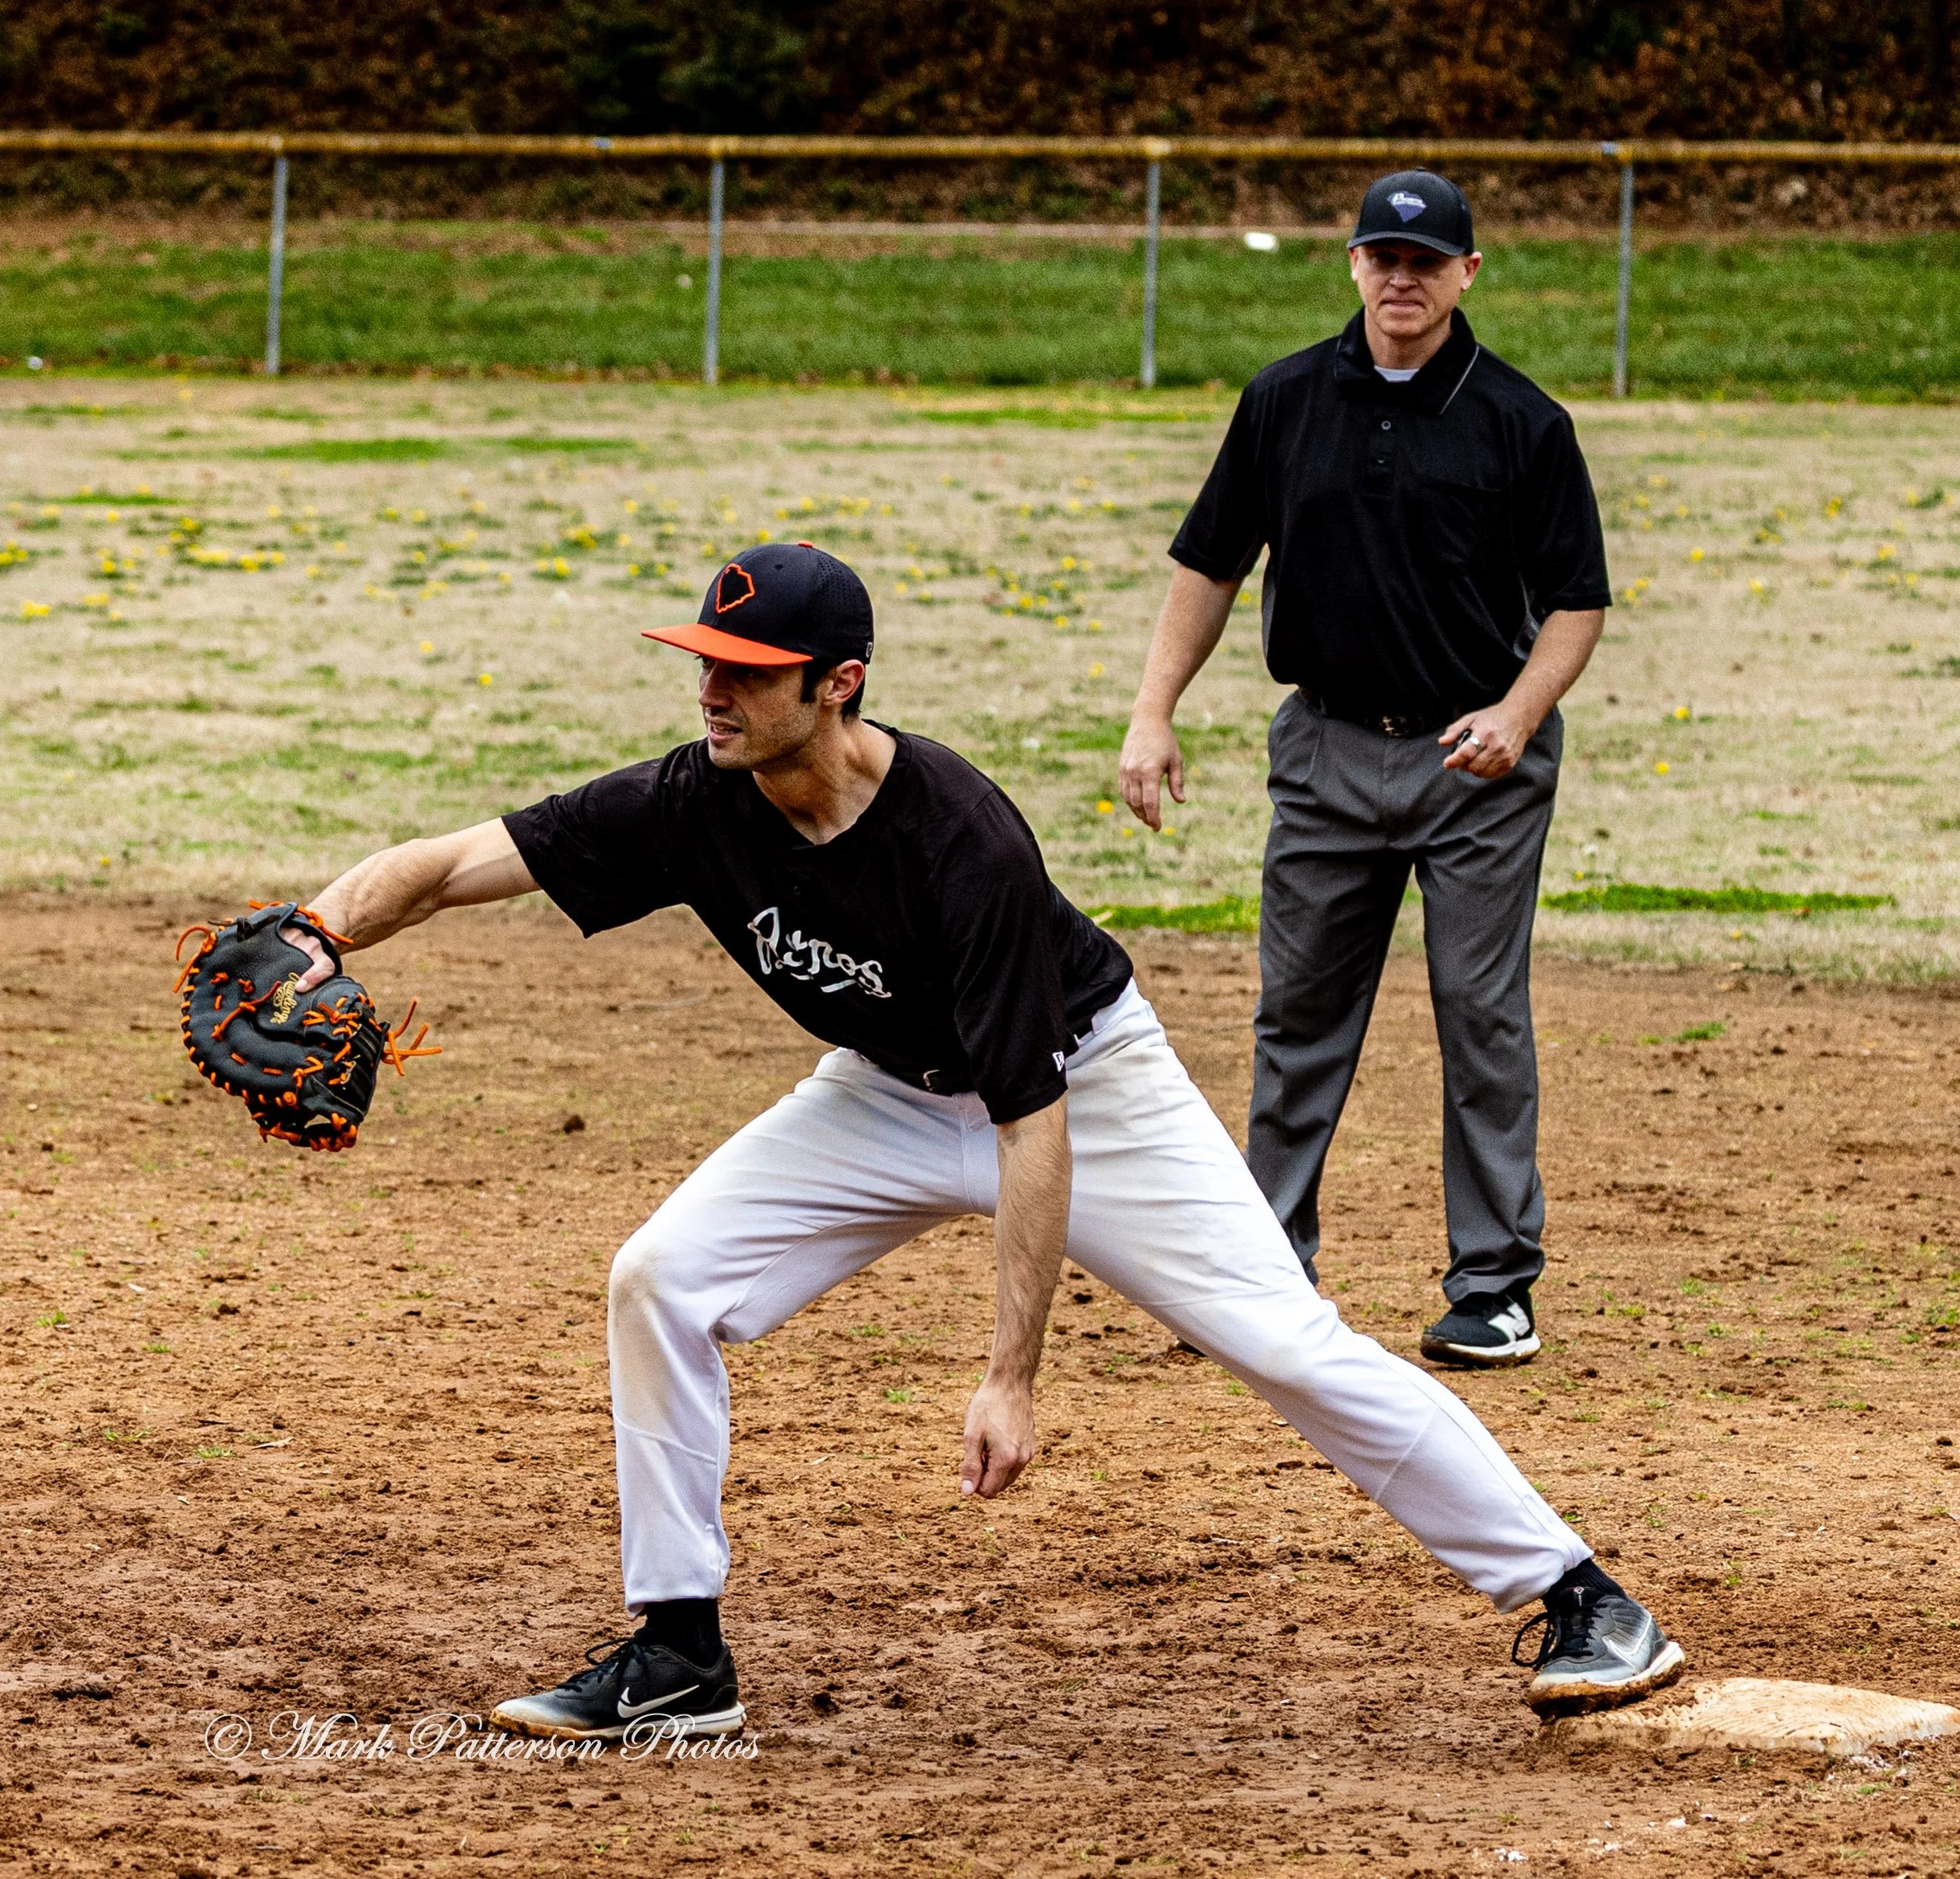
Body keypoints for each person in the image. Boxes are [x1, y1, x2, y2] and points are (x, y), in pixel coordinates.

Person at [283, 541, 1677, 1742]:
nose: (711, 689)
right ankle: (678, 1657)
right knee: (662, 1278)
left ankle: (1579, 1597)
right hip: (886, 1090)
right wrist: (314, 931)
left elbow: (1033, 1119)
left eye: (747, 669)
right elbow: (464, 861)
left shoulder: (961, 842)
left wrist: (1010, 1379)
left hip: (1084, 1089)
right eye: (704, 659)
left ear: (837, 686)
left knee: (1281, 1341)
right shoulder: (692, 797)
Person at [1119, 170, 1612, 1370]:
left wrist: (1515, 711)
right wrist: (1151, 714)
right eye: (1380, 255)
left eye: (1425, 259)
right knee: (1297, 1014)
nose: (1401, 276)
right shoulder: (1285, 399)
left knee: (1478, 1015)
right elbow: (1210, 563)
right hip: (1326, 748)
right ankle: (1261, 1264)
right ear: (1351, 264)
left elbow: (1576, 603)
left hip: (1473, 763)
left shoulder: (1520, 420)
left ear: (1466, 274)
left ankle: (1493, 1286)